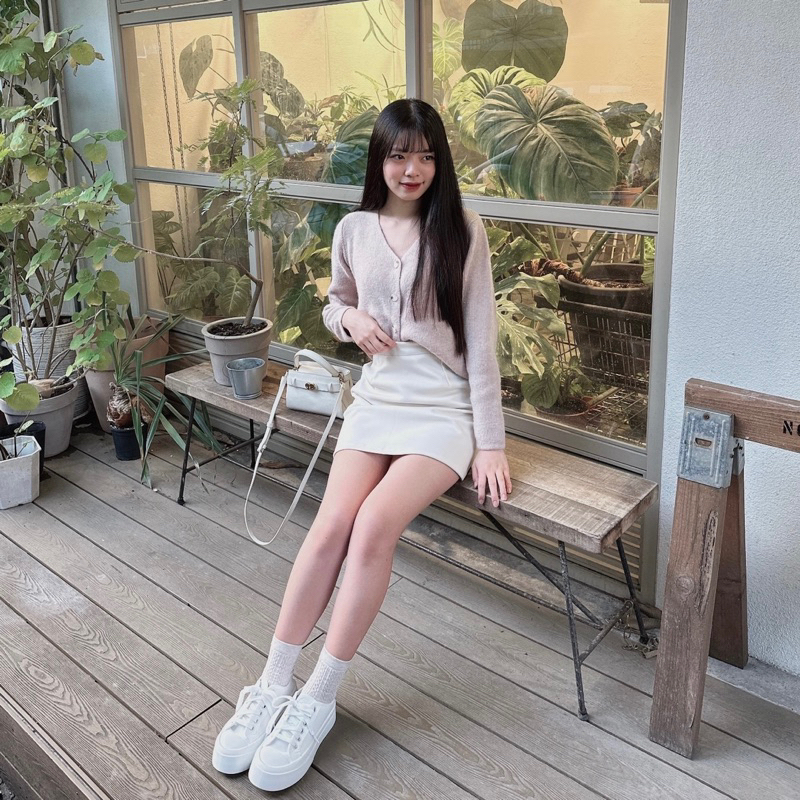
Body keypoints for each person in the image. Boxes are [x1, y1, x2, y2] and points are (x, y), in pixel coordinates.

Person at [212, 98, 512, 792]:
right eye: (400, 155)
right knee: (329, 528)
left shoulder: (463, 230)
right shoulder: (353, 229)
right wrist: (348, 319)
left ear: (440, 161)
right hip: (377, 401)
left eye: (426, 156)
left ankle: (317, 698)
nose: (413, 169)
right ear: (380, 159)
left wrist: (491, 443)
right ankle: (272, 685)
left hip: (442, 409)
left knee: (374, 526)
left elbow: (481, 341)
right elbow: (334, 304)